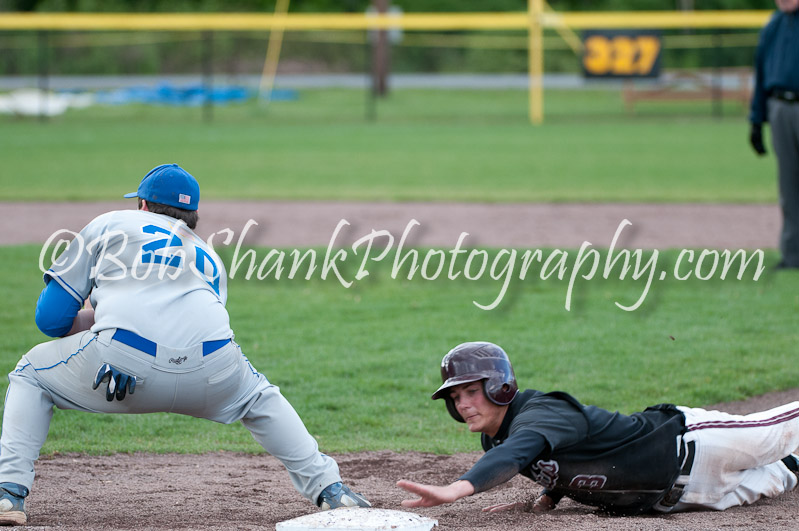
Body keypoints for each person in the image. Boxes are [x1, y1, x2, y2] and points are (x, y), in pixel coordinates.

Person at [0, 163, 370, 526]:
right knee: (258, 397)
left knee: (31, 374)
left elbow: (50, 320)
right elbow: (182, 324)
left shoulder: (111, 223)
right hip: (214, 368)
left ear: (142, 205)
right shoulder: (208, 255)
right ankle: (332, 489)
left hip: (120, 367)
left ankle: (9, 493)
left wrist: (102, 323)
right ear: (192, 216)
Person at [397, 341, 799, 515]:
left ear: (499, 385)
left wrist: (456, 489)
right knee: (786, 473)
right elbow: (555, 459)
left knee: (779, 431)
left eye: (471, 391)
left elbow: (520, 450)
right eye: (455, 397)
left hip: (696, 442)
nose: (462, 403)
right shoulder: (495, 435)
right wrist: (546, 500)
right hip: (681, 498)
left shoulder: (542, 411)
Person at [749, 0, 799, 269]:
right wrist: (756, 121)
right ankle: (793, 255)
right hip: (779, 107)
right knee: (788, 185)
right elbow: (760, 74)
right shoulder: (773, 26)